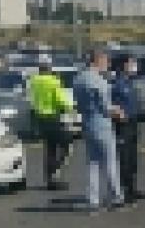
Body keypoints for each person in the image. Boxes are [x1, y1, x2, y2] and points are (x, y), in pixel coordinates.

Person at [72, 50, 125, 212]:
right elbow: (105, 107)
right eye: (106, 62)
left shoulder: (79, 79)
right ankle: (116, 197)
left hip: (87, 122)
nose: (108, 66)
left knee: (93, 163)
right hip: (102, 123)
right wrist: (118, 112)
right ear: (98, 61)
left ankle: (93, 200)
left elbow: (77, 103)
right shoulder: (99, 82)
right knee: (110, 161)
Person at [28, 61, 75, 190]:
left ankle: (50, 179)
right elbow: (61, 100)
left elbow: (31, 100)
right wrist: (71, 109)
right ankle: (55, 171)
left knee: (50, 149)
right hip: (54, 118)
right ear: (49, 69)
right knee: (67, 144)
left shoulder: (33, 82)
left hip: (40, 119)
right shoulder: (54, 82)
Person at [111, 55, 141, 203]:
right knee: (124, 158)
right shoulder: (117, 83)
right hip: (123, 124)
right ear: (123, 65)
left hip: (133, 122)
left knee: (133, 158)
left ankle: (132, 188)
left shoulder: (130, 81)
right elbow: (111, 104)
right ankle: (124, 191)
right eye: (131, 63)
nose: (134, 66)